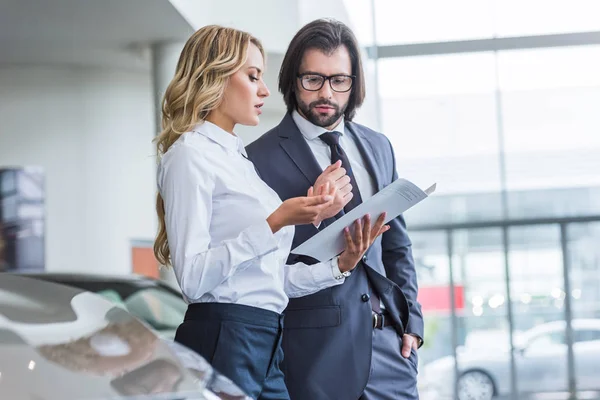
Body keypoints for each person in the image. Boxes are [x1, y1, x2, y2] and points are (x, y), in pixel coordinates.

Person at [153, 25, 388, 400]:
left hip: (266, 337)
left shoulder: (237, 160)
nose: (264, 90)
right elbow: (194, 279)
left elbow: (269, 282)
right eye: (252, 76)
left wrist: (339, 265)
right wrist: (277, 220)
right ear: (214, 75)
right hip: (224, 337)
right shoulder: (189, 155)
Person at [246, 19, 424, 400]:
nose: (326, 92)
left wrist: (411, 323)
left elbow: (397, 247)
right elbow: (255, 264)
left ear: (353, 82)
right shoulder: (255, 159)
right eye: (313, 79)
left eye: (339, 80)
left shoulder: (378, 146)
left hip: (391, 356)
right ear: (293, 80)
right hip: (314, 359)